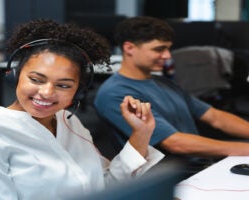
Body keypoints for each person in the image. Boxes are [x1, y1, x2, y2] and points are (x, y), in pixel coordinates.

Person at [0, 19, 164, 200]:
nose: (46, 92)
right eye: (36, 79)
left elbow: (104, 185)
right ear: (14, 76)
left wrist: (141, 134)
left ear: (78, 91)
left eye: (63, 85)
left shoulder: (68, 121)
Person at [94, 16, 249, 159]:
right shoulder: (115, 93)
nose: (168, 56)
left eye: (168, 48)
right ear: (129, 48)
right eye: (159, 49)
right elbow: (175, 143)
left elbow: (215, 117)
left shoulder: (164, 83)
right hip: (171, 177)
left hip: (198, 166)